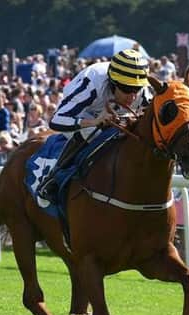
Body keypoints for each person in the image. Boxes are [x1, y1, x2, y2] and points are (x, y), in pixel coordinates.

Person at [37, 49, 152, 202]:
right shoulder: (92, 84)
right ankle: (54, 178)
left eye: (136, 90)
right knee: (93, 132)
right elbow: (56, 121)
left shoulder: (141, 90)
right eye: (126, 90)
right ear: (113, 82)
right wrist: (95, 121)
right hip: (84, 111)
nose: (132, 96)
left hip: (112, 111)